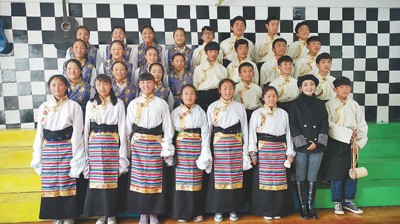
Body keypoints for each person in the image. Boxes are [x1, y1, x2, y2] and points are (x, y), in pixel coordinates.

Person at [31, 75, 85, 224]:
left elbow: (77, 132)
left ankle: (69, 215)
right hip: (49, 148)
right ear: (49, 87)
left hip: (67, 146)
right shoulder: (44, 106)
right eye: (53, 85)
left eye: (60, 85)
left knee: (67, 180)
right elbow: (40, 132)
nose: (57, 88)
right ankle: (56, 215)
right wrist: (38, 153)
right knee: (52, 182)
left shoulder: (74, 106)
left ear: (66, 87)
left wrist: (77, 154)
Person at [125, 73, 175, 224]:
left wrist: (166, 147)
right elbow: (128, 128)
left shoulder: (162, 103)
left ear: (154, 84)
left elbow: (168, 127)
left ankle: (153, 213)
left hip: (155, 144)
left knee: (155, 179)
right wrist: (127, 149)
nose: (146, 85)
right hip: (138, 145)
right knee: (139, 181)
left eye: (149, 82)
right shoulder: (133, 103)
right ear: (139, 85)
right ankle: (142, 213)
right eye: (143, 83)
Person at [82, 74, 128, 224]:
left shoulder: (118, 103)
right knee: (97, 181)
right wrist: (86, 151)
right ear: (95, 86)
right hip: (95, 143)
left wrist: (123, 151)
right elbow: (87, 127)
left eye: (105, 84)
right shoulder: (91, 103)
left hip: (112, 143)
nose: (102, 87)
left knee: (111, 180)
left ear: (111, 85)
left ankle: (111, 214)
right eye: (99, 84)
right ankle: (101, 214)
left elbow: (122, 128)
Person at [205, 78, 252, 222]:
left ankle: (233, 208)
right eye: (224, 88)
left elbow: (245, 128)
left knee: (235, 178)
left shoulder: (239, 107)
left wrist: (246, 150)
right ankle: (218, 209)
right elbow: (208, 130)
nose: (228, 91)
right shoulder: (212, 106)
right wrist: (207, 150)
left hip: (236, 145)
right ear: (219, 90)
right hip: (218, 145)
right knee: (219, 179)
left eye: (230, 88)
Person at [322, 76, 368, 215]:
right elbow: (328, 125)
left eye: (347, 87)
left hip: (352, 142)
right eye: (341, 87)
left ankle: (348, 200)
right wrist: (347, 133)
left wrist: (359, 142)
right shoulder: (329, 105)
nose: (345, 89)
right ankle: (337, 201)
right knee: (337, 172)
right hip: (337, 141)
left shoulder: (354, 104)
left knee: (352, 171)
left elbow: (361, 124)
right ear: (335, 89)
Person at [249, 86, 295, 220]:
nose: (271, 98)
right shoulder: (257, 113)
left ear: (277, 98)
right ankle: (265, 209)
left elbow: (289, 134)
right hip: (264, 149)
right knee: (265, 181)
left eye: (274, 96)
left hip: (281, 149)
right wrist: (253, 153)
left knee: (280, 180)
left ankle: (279, 209)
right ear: (263, 98)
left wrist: (290, 153)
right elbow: (252, 134)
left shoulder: (283, 113)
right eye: (268, 96)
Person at [169, 84, 212, 223]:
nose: (189, 96)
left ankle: (196, 212)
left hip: (197, 148)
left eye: (192, 93)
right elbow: (170, 133)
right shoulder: (175, 112)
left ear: (196, 96)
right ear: (181, 96)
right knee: (181, 182)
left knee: (196, 182)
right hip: (181, 150)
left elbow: (206, 133)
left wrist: (204, 153)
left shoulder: (200, 111)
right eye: (186, 94)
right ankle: (182, 212)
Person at [288, 74, 329, 219]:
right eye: (305, 84)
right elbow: (292, 125)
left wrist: (317, 142)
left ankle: (311, 206)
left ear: (315, 86)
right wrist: (304, 143)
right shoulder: (293, 105)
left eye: (311, 84)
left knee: (312, 176)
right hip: (301, 146)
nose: (308, 87)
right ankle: (303, 207)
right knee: (300, 176)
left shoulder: (320, 104)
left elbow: (325, 124)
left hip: (317, 146)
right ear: (300, 87)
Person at [193, 41, 227, 112]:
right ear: (206, 53)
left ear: (218, 53)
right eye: (210, 51)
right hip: (201, 96)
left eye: (215, 51)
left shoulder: (223, 69)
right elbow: (195, 85)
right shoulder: (198, 68)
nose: (213, 54)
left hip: (216, 95)